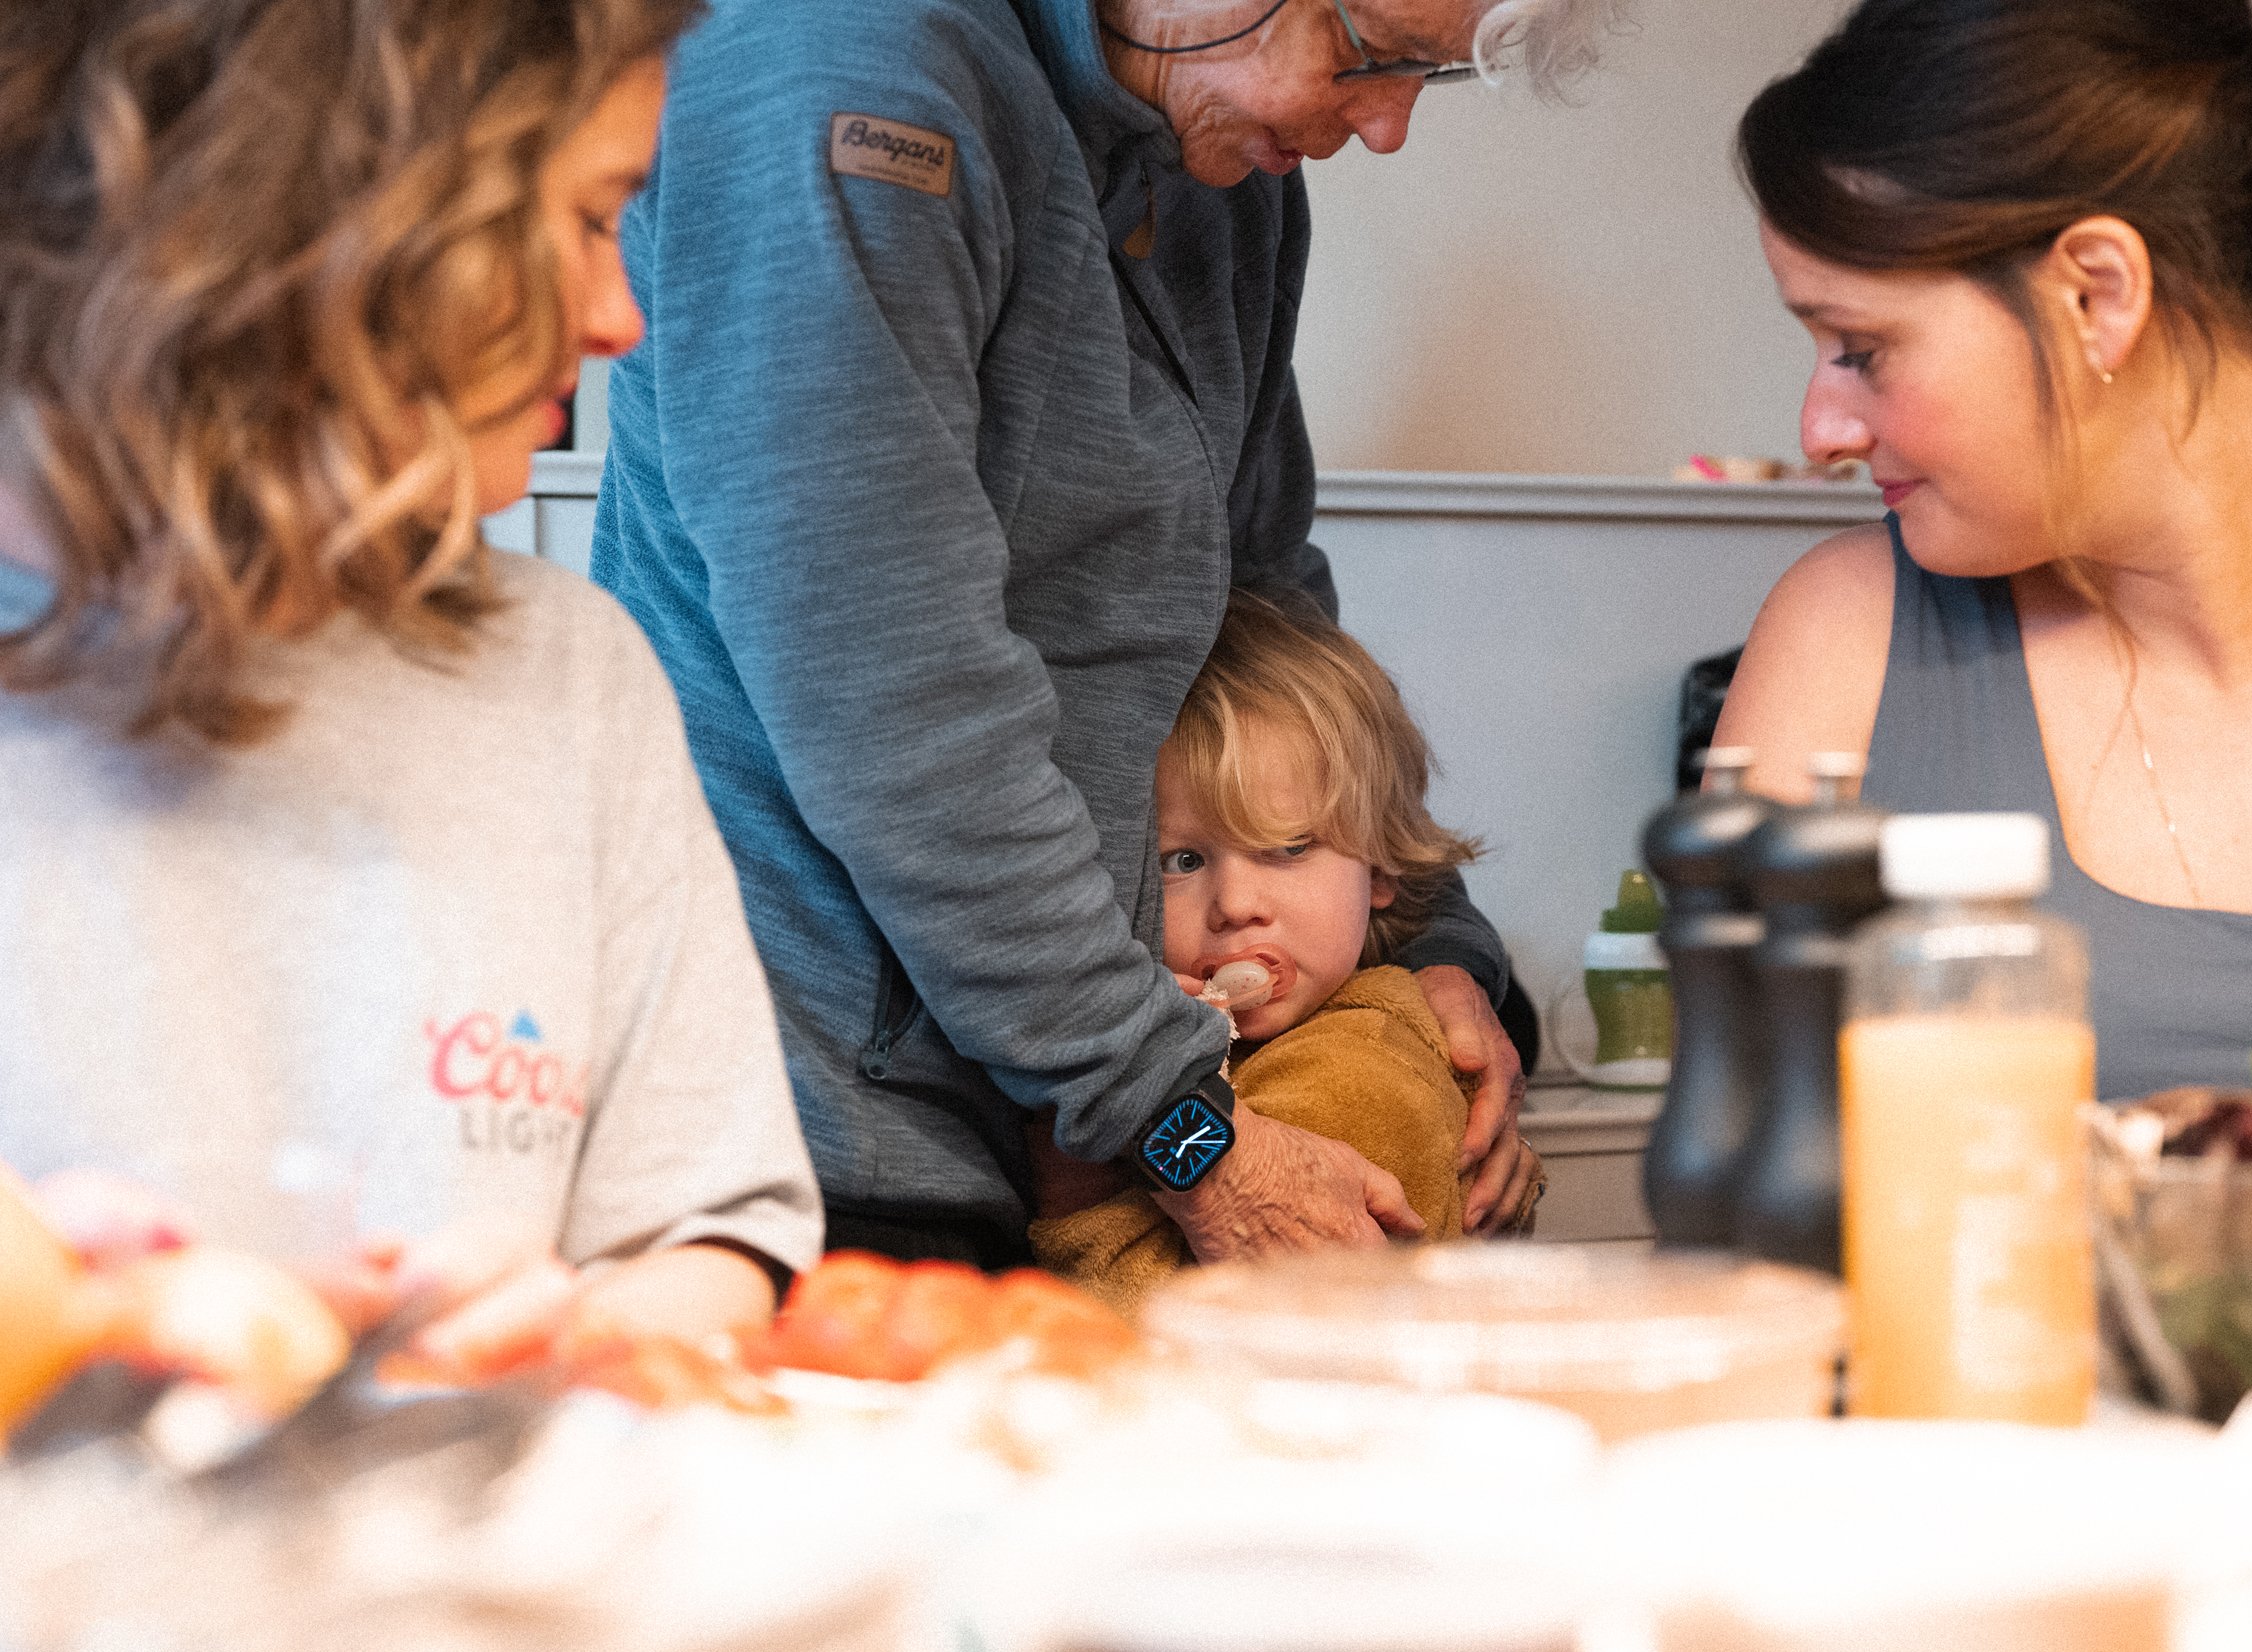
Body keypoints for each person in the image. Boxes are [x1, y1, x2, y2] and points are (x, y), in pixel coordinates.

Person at [592, 0, 1608, 1268]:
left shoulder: (1221, 167)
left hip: (1074, 1119)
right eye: (1366, 54)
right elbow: (896, 702)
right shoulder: (844, 73)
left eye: (1431, 77)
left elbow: (1273, 624)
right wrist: (1180, 1127)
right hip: (807, 1147)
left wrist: (1432, 950)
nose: (1387, 127)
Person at [0, 0, 822, 1349]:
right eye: (585, 219)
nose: (623, 319)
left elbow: (709, 1226)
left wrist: (582, 1334)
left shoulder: (568, 673)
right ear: (321, 215)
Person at [1714, 0, 2252, 1100]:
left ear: (2097, 292)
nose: (1821, 432)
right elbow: (1756, 1189)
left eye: (1862, 348)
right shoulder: (1838, 643)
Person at [1031, 593, 1543, 1314]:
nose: (1236, 902)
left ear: (1385, 866)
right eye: (1180, 860)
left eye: (1288, 847)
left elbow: (1178, 1330)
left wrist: (1070, 1186)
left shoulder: (1357, 1070)